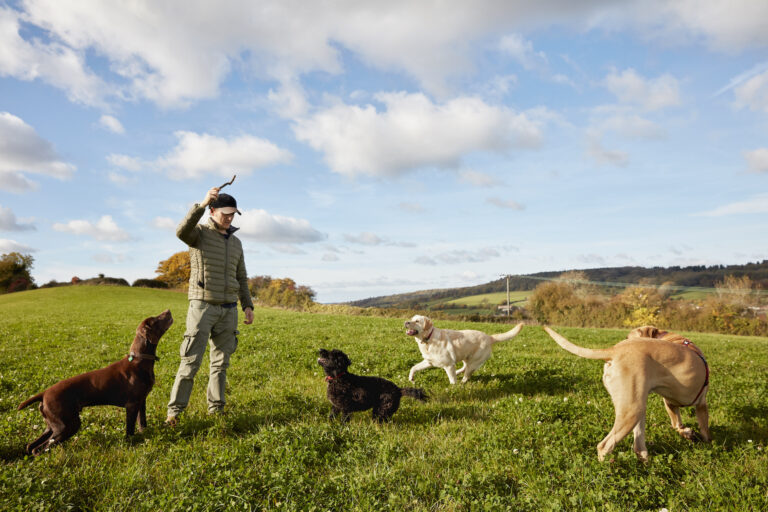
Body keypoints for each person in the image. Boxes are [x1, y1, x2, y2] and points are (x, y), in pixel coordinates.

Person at [165, 187, 254, 426]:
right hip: (202, 307)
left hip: (228, 310)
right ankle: (174, 413)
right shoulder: (199, 234)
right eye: (225, 213)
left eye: (233, 214)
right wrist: (202, 203)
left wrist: (247, 305)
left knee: (220, 364)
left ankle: (216, 409)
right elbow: (180, 231)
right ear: (212, 211)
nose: (229, 217)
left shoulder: (236, 243)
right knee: (191, 361)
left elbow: (241, 277)